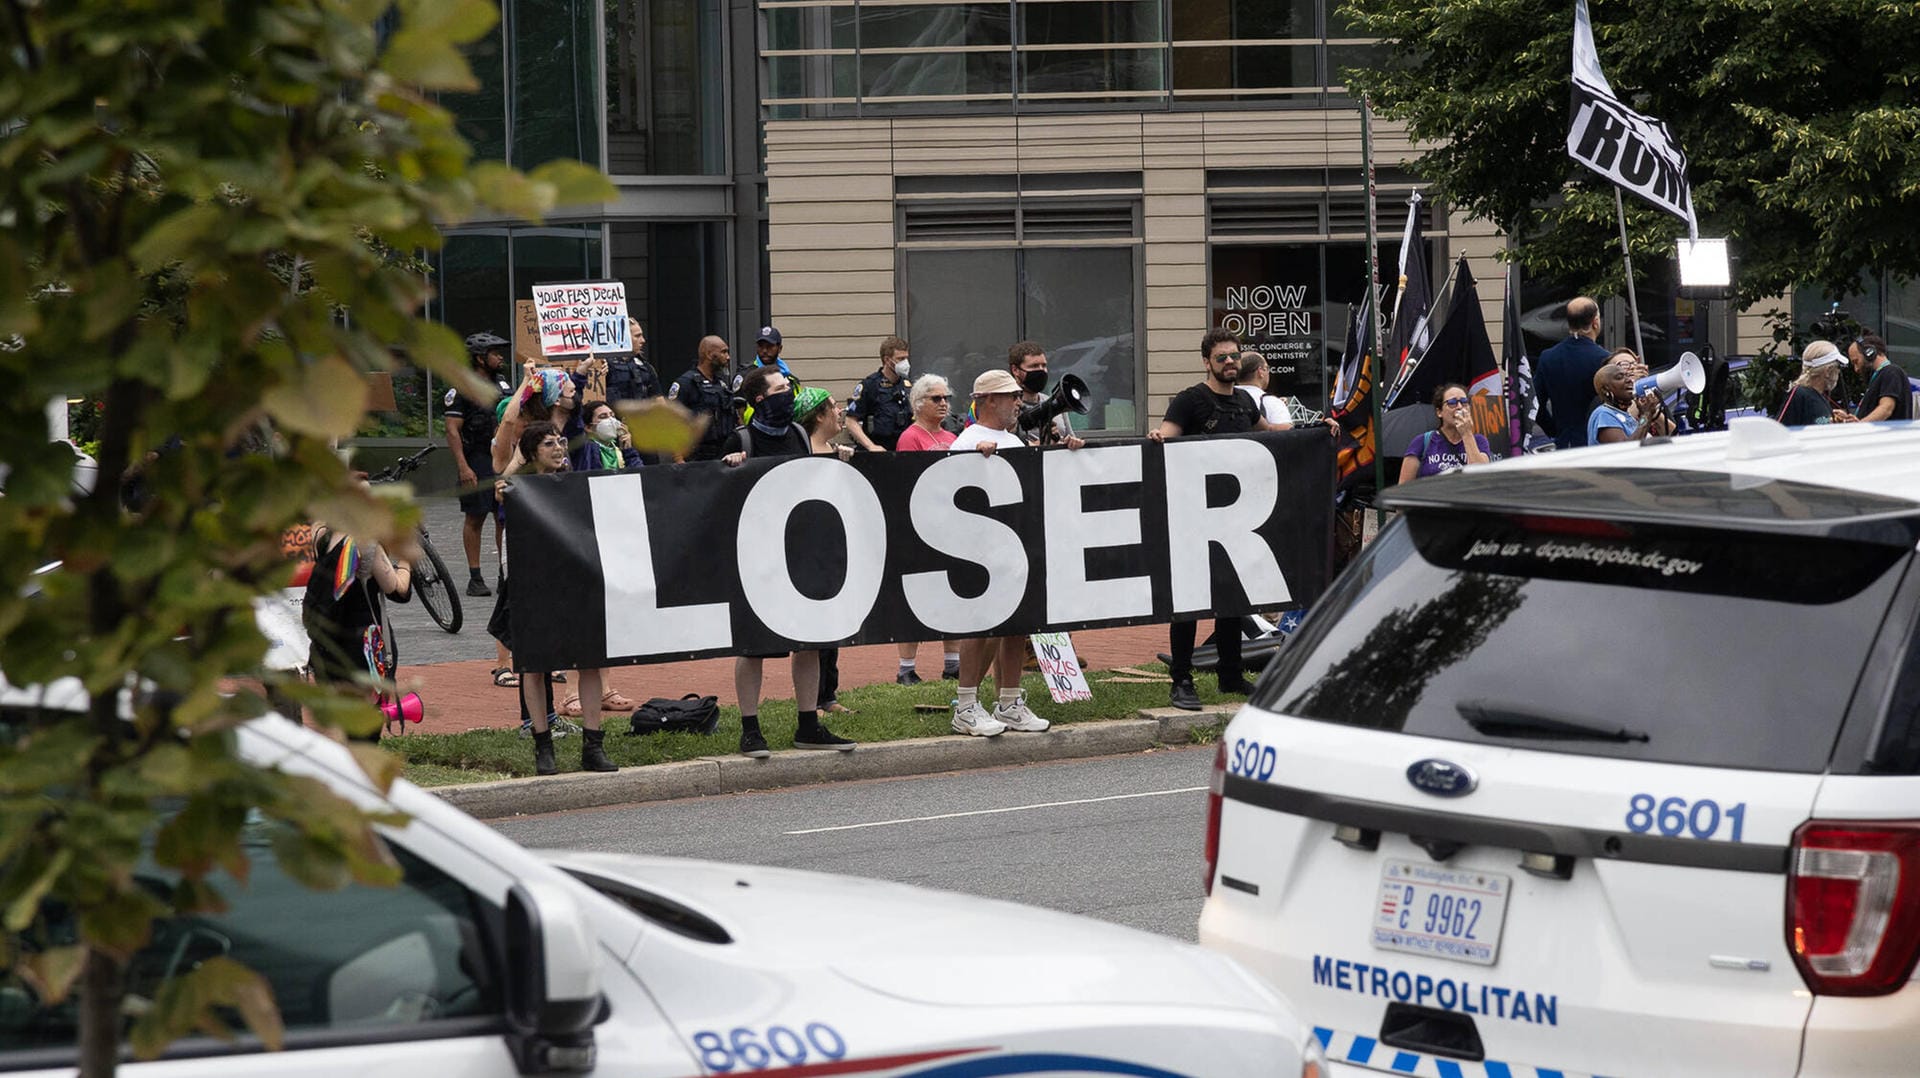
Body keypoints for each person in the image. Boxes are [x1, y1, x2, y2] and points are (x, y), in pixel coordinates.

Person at [721, 367, 856, 756]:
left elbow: (811, 482)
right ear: (761, 399)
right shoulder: (742, 438)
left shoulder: (798, 435)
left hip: (798, 553)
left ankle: (808, 724)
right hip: (757, 557)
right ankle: (750, 729)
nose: (788, 394)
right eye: (781, 389)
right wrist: (729, 466)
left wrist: (836, 460)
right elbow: (719, 494)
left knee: (810, 642)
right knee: (754, 647)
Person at [1148, 329, 1271, 710]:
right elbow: (1166, 436)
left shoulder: (1247, 403)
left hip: (1236, 519)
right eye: (1222, 358)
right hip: (1193, 518)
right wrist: (1158, 437)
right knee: (1189, 601)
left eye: (1235, 356)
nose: (1230, 363)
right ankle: (1181, 679)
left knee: (1233, 597)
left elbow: (1274, 437)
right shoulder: (1189, 400)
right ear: (1206, 362)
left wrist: (1320, 430)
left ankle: (1230, 675)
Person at [947, 369, 1059, 738]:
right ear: (989, 400)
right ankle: (965, 706)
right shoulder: (968, 441)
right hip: (979, 550)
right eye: (1010, 396)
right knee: (978, 627)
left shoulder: (1010, 440)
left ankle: (1009, 702)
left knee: (1017, 626)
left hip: (1015, 547)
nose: (1017, 402)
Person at [302, 521, 411, 743]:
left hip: (329, 644)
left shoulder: (320, 534)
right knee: (365, 730)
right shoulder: (366, 543)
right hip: (365, 649)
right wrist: (407, 562)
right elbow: (398, 590)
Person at [892, 374, 962, 683]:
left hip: (952, 524)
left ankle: (952, 662)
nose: (944, 403)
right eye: (936, 398)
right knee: (917, 599)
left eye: (946, 397)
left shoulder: (951, 437)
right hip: (922, 526)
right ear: (919, 403)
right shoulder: (911, 437)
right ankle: (906, 668)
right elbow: (908, 483)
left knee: (954, 594)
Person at [797, 387, 857, 716]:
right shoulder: (801, 452)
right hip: (807, 550)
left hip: (835, 547)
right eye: (833, 407)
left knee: (833, 625)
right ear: (819, 415)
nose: (840, 412)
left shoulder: (836, 450)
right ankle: (812, 697)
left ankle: (829, 695)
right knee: (812, 628)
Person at [444, 332, 512, 598]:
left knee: (503, 516)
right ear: (479, 359)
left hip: (501, 457)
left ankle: (504, 573)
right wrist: (463, 467)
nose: (500, 357)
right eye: (495, 353)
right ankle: (475, 577)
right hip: (477, 459)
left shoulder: (504, 385)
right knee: (475, 516)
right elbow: (452, 430)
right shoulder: (461, 388)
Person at [1534, 297, 1610, 449]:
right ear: (1595, 322)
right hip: (1596, 444)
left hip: (1564, 443)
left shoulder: (1548, 357)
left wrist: (1554, 430)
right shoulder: (1604, 359)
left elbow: (1535, 405)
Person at [1399, 383, 1491, 481]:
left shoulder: (1479, 441)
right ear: (1439, 412)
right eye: (1452, 403)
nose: (1459, 407)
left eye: (1464, 402)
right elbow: (1403, 487)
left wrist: (1467, 433)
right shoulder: (1422, 442)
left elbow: (1481, 478)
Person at [668, 335, 739, 461]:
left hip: (724, 455)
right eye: (723, 352)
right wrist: (679, 460)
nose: (728, 357)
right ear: (709, 354)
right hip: (697, 457)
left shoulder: (721, 385)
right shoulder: (686, 383)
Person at [1006, 341, 1086, 448]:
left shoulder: (1055, 402)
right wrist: (1040, 445)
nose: (1041, 371)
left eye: (1043, 366)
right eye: (1034, 366)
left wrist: (1072, 443)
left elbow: (1069, 436)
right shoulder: (1005, 405)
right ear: (1015, 370)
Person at [845, 336, 914, 452]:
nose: (905, 363)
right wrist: (870, 446)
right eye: (900, 359)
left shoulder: (907, 386)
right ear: (887, 360)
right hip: (878, 451)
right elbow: (851, 421)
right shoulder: (869, 385)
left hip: (903, 450)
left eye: (906, 358)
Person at [1587, 361, 1673, 445]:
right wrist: (1647, 414)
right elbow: (1626, 450)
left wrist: (1645, 414)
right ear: (1605, 389)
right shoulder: (1603, 414)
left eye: (1628, 376)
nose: (1629, 380)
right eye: (1619, 377)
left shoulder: (1626, 416)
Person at [1777, 340, 1851, 427]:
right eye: (1838, 367)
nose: (1839, 371)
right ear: (1827, 371)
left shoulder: (1820, 396)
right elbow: (1780, 429)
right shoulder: (1799, 394)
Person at [1850, 332, 1912, 422]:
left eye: (1856, 361)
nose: (1856, 369)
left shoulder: (1891, 372)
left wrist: (1859, 426)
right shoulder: (1881, 375)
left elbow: (1886, 409)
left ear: (1869, 353)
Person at [603, 317, 663, 407]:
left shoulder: (645, 366)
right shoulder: (604, 366)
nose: (643, 340)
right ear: (623, 336)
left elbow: (659, 401)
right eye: (637, 336)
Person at [1233, 350, 1295, 429]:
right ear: (1260, 371)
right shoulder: (1272, 403)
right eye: (1267, 368)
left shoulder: (1223, 398)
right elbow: (1286, 435)